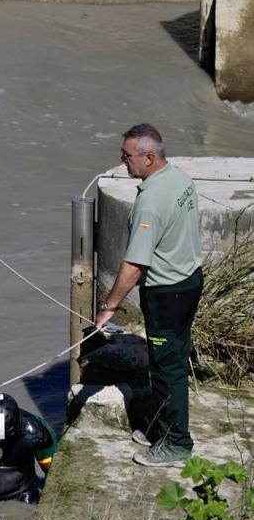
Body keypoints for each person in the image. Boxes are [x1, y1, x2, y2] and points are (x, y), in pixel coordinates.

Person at [94, 124, 203, 468]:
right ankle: (161, 425)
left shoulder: (150, 203)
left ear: (149, 156)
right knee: (174, 356)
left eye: (127, 155)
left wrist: (108, 308)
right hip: (190, 280)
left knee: (167, 367)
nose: (123, 161)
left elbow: (133, 266)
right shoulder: (180, 178)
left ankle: (177, 443)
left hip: (166, 294)